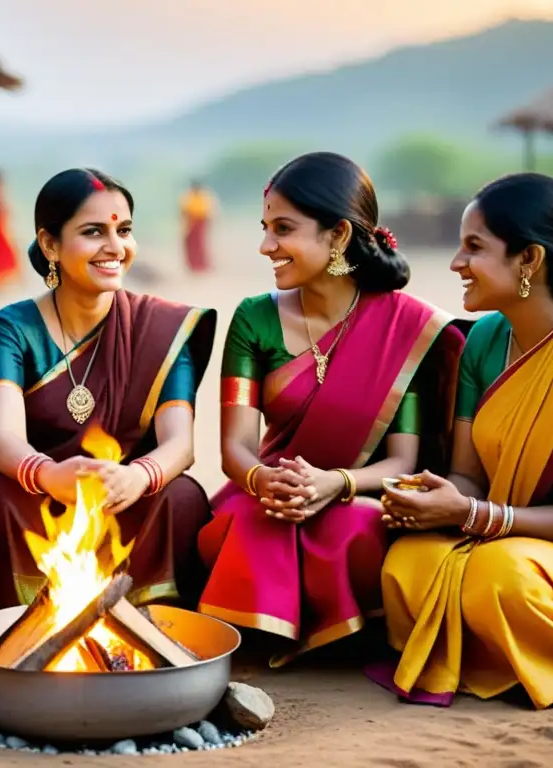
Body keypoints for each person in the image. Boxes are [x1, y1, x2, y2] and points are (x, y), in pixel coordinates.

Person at [197, 152, 465, 666]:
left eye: (283, 229)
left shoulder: (402, 330)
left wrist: (333, 484)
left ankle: (338, 636)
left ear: (339, 235)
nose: (265, 246)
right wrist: (262, 481)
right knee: (249, 523)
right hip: (265, 490)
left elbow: (403, 463)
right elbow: (234, 446)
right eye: (264, 227)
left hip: (353, 494)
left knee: (354, 530)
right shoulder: (255, 318)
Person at [371, 173, 553, 710]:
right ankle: (490, 653)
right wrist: (434, 496)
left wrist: (475, 516)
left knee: (499, 578)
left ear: (529, 260)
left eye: (474, 247)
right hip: (494, 534)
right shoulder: (484, 339)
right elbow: (468, 477)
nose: (457, 262)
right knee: (408, 562)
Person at [0, 168, 217, 608]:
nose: (115, 247)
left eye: (123, 230)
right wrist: (50, 474)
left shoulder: (161, 328)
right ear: (50, 245)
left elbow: (180, 444)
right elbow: (0, 438)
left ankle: (148, 618)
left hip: (128, 499)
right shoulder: (13, 328)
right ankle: (34, 617)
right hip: (45, 499)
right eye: (93, 232)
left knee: (181, 494)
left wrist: (137, 477)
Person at [180, 180, 215, 273]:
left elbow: (209, 212)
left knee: (200, 244)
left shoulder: (204, 197)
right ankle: (192, 265)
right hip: (191, 222)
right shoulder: (188, 197)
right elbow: (183, 211)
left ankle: (201, 265)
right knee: (190, 244)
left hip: (201, 223)